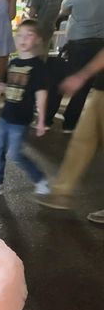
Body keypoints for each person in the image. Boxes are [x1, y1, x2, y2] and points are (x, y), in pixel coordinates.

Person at [0, 20, 49, 198]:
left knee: (15, 154)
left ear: (38, 40)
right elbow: (10, 88)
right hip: (6, 116)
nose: (23, 39)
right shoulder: (13, 62)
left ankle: (40, 179)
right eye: (20, 35)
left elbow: (41, 94)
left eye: (29, 35)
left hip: (20, 120)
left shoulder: (38, 66)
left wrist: (41, 120)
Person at [36, 45, 104, 223]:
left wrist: (82, 75)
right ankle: (60, 193)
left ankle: (60, 192)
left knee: (83, 140)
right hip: (101, 88)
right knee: (82, 140)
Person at [43, 0, 104, 133]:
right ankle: (69, 124)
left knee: (58, 80)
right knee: (83, 85)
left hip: (76, 44)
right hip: (99, 46)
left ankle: (46, 120)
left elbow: (63, 10)